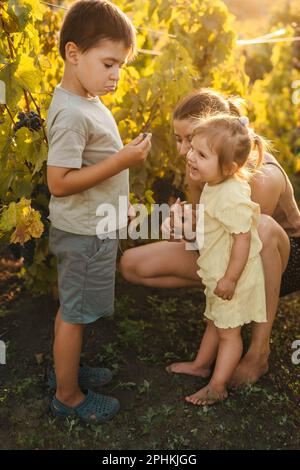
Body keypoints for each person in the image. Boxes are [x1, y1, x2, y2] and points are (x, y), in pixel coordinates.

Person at [120, 89, 299, 387]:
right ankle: (220, 306)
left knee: (262, 227)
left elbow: (243, 243)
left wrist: (194, 231)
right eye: (179, 140)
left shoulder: (261, 176)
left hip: (282, 261)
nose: (182, 151)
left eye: (188, 139)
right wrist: (180, 224)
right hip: (228, 251)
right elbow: (209, 226)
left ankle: (258, 351)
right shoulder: (203, 159)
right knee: (131, 264)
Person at [46, 0, 151, 423]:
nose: (116, 75)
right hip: (85, 233)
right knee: (74, 314)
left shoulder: (84, 100)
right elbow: (59, 182)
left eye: (121, 66)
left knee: (72, 306)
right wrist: (122, 161)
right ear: (74, 53)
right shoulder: (72, 114)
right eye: (109, 63)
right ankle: (67, 396)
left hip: (92, 227)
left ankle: (66, 369)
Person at [182, 114, 267, 405]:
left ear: (229, 167)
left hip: (232, 277)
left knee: (229, 333)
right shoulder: (216, 182)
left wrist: (230, 279)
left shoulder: (230, 194)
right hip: (216, 272)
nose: (191, 157)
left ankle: (217, 386)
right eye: (192, 148)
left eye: (201, 154)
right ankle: (200, 365)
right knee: (214, 321)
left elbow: (242, 238)